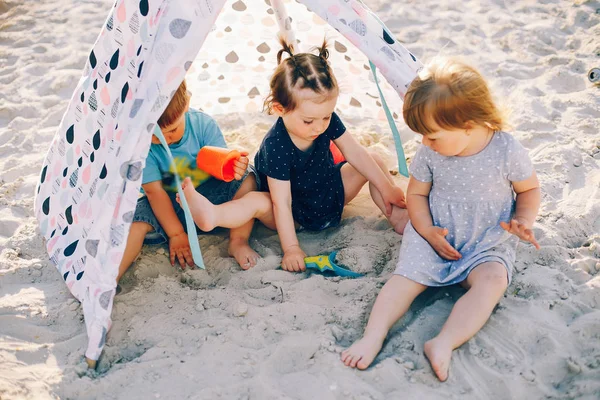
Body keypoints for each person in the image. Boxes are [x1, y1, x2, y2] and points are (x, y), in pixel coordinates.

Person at [341, 58, 541, 381]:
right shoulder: (432, 151)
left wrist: (524, 219)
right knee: (403, 280)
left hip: (485, 241)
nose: (424, 142)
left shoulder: (506, 150)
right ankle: (373, 335)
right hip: (435, 233)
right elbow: (417, 195)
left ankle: (444, 342)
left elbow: (530, 190)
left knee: (492, 283)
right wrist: (426, 230)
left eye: (431, 136)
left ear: (468, 124)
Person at [178, 38, 409, 272]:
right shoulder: (276, 145)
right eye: (308, 121)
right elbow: (281, 202)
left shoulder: (322, 118)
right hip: (294, 215)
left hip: (331, 197)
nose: (319, 127)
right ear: (280, 109)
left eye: (326, 117)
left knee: (374, 161)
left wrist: (386, 187)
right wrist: (291, 248)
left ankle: (397, 217)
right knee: (257, 201)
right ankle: (213, 214)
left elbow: (354, 152)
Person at [116, 79, 260, 284]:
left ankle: (237, 241)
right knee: (135, 219)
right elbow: (154, 192)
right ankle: (111, 278)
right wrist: (176, 234)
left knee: (247, 177)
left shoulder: (203, 125)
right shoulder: (142, 145)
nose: (166, 140)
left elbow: (222, 172)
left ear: (186, 104)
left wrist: (233, 166)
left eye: (172, 130)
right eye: (158, 136)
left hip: (209, 201)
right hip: (168, 206)